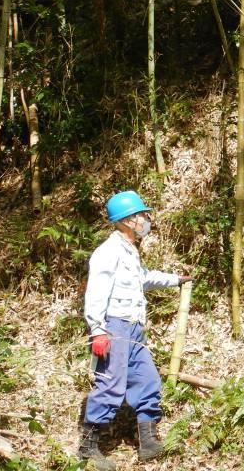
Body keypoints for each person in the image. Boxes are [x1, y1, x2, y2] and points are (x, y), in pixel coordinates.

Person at [79, 190, 192, 470]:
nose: (146, 220)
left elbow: (144, 278)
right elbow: (96, 291)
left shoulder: (129, 251)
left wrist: (176, 279)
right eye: (142, 215)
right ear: (128, 220)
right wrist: (97, 329)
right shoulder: (107, 252)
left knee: (147, 379)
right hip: (114, 328)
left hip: (134, 329)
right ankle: (87, 449)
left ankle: (149, 443)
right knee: (111, 385)